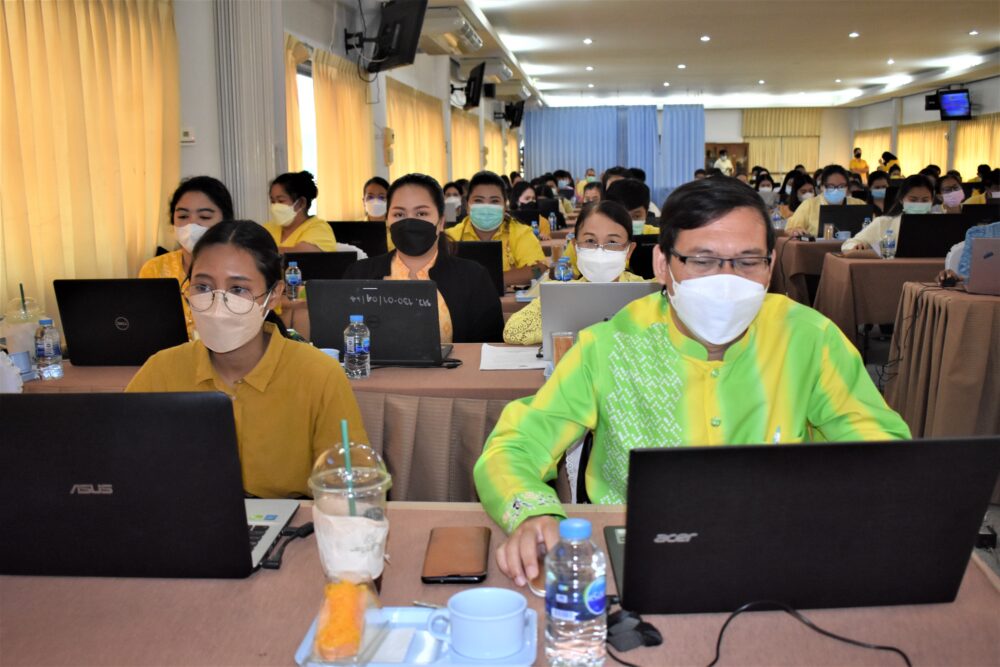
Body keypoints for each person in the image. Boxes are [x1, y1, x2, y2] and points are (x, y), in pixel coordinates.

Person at [474, 177, 910, 587]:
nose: (726, 280)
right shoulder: (608, 346)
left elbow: (881, 450)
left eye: (747, 261)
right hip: (639, 556)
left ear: (771, 265)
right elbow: (516, 446)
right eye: (702, 261)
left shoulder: (810, 339)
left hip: (780, 549)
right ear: (662, 264)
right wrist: (532, 515)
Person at [126, 220, 368, 498]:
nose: (218, 302)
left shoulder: (318, 374)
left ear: (274, 295)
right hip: (184, 515)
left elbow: (351, 487)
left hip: (292, 519)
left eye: (238, 289)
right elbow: (120, 464)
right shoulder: (160, 371)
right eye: (203, 287)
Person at [344, 173, 504, 343]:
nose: (409, 222)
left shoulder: (474, 277)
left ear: (441, 222)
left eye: (421, 213)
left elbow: (489, 347)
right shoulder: (358, 274)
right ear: (388, 221)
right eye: (399, 214)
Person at [503, 201, 647, 346]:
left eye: (612, 242)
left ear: (629, 250)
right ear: (575, 246)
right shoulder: (561, 293)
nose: (600, 250)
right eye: (590, 240)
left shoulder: (647, 293)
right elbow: (512, 331)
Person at [140, 176, 235, 338]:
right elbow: (144, 324)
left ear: (225, 222)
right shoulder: (154, 269)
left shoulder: (239, 269)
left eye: (204, 217)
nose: (192, 225)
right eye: (183, 216)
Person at [445, 171, 548, 287]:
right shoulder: (450, 237)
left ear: (505, 206)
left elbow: (540, 270)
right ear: (467, 206)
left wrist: (489, 280)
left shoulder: (521, 232)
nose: (486, 207)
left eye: (494, 201)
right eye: (478, 200)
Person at [841, 175, 936, 255]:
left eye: (925, 200)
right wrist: (858, 247)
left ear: (932, 200)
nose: (919, 203)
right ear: (901, 199)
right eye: (913, 200)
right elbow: (848, 244)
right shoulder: (883, 223)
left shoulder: (939, 224)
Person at [265, 171, 336, 252]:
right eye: (272, 201)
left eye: (281, 201)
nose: (275, 206)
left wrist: (262, 252)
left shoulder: (320, 229)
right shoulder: (268, 229)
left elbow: (303, 254)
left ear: (301, 203)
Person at [787, 165, 867, 237]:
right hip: (817, 248)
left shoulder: (859, 204)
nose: (836, 190)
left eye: (841, 186)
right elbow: (790, 230)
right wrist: (795, 231)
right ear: (822, 187)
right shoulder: (809, 205)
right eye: (831, 186)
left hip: (852, 248)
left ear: (847, 188)